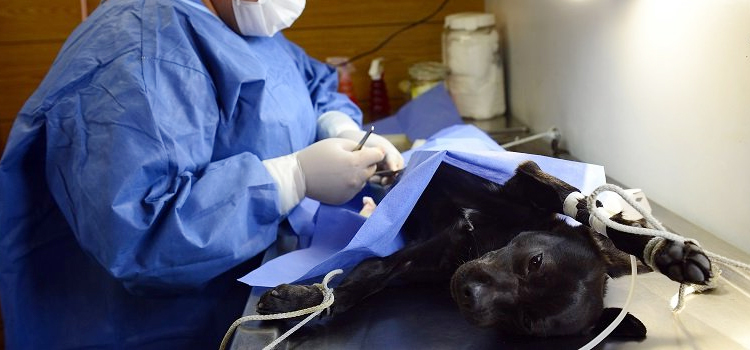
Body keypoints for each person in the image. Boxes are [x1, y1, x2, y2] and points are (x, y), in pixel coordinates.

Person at [0, 0, 404, 348]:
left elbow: (309, 84)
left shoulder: (236, 23)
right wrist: (290, 178)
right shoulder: (139, 49)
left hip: (238, 295)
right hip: (154, 326)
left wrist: (340, 125)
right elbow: (142, 236)